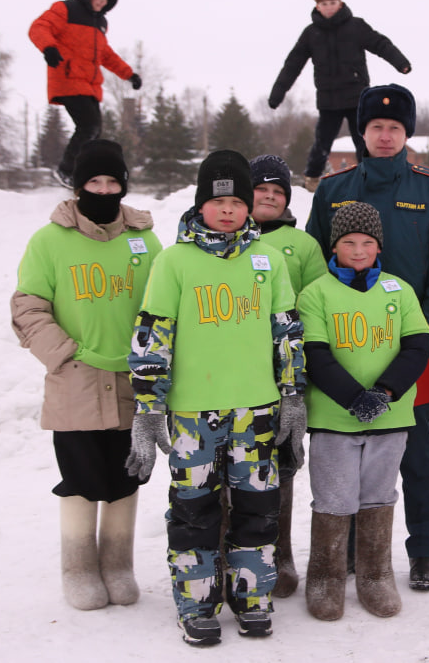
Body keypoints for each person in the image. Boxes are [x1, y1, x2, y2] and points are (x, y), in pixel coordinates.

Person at [126, 150, 305, 647]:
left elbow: (286, 330)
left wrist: (293, 395)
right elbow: (152, 337)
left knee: (257, 508)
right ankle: (197, 604)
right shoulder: (174, 260)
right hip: (192, 415)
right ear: (201, 203)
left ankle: (251, 597)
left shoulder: (265, 261)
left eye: (237, 201)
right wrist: (148, 408)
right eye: (217, 200)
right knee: (193, 511)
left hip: (258, 410)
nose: (227, 210)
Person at [305, 83, 429, 592]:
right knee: (345, 452)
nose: (385, 135)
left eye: (395, 128)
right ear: (362, 131)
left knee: (415, 452)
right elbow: (314, 268)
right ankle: (352, 551)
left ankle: (422, 550)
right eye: (376, 126)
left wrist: (419, 341)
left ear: (407, 132)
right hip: (343, 349)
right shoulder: (334, 189)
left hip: (409, 353)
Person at [11, 139, 161, 611]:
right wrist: (66, 354)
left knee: (126, 475)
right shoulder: (49, 241)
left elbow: (162, 307)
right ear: (78, 186)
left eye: (112, 181)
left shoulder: (145, 241)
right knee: (79, 475)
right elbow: (28, 306)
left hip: (132, 382)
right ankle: (78, 568)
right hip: (74, 380)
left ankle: (117, 565)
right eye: (94, 182)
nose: (103, 189)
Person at [299, 202, 429, 621]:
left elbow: (417, 347)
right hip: (334, 418)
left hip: (389, 418)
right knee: (334, 499)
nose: (358, 251)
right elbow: (316, 355)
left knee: (378, 496)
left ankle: (375, 576)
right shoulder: (316, 293)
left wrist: (385, 391)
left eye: (367, 243)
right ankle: (325, 577)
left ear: (379, 246)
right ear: (334, 246)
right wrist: (355, 398)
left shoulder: (400, 289)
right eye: (348, 242)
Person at [249, 153, 328, 598]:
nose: (270, 198)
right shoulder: (223, 239)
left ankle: (280, 554)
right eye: (262, 190)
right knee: (233, 464)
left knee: (282, 461)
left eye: (278, 192)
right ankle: (234, 552)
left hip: (285, 373)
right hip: (234, 370)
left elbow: (318, 303)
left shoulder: (302, 246)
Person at [267, 0, 412, 191]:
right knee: (322, 143)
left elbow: (380, 44)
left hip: (357, 97)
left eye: (332, 3)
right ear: (317, 7)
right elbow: (293, 64)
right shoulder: (311, 33)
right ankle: (312, 180)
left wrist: (401, 63)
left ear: (340, 3)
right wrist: (277, 94)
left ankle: (370, 178)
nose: (329, 8)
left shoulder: (356, 26)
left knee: (363, 140)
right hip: (329, 99)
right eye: (324, 4)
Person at [29, 0, 141, 187]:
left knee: (95, 130)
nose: (101, 3)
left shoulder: (100, 23)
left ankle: (80, 174)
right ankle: (65, 170)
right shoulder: (66, 9)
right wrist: (49, 47)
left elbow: (106, 55)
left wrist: (129, 74)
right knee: (88, 126)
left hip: (89, 85)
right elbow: (39, 27)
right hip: (67, 77)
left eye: (106, 1)